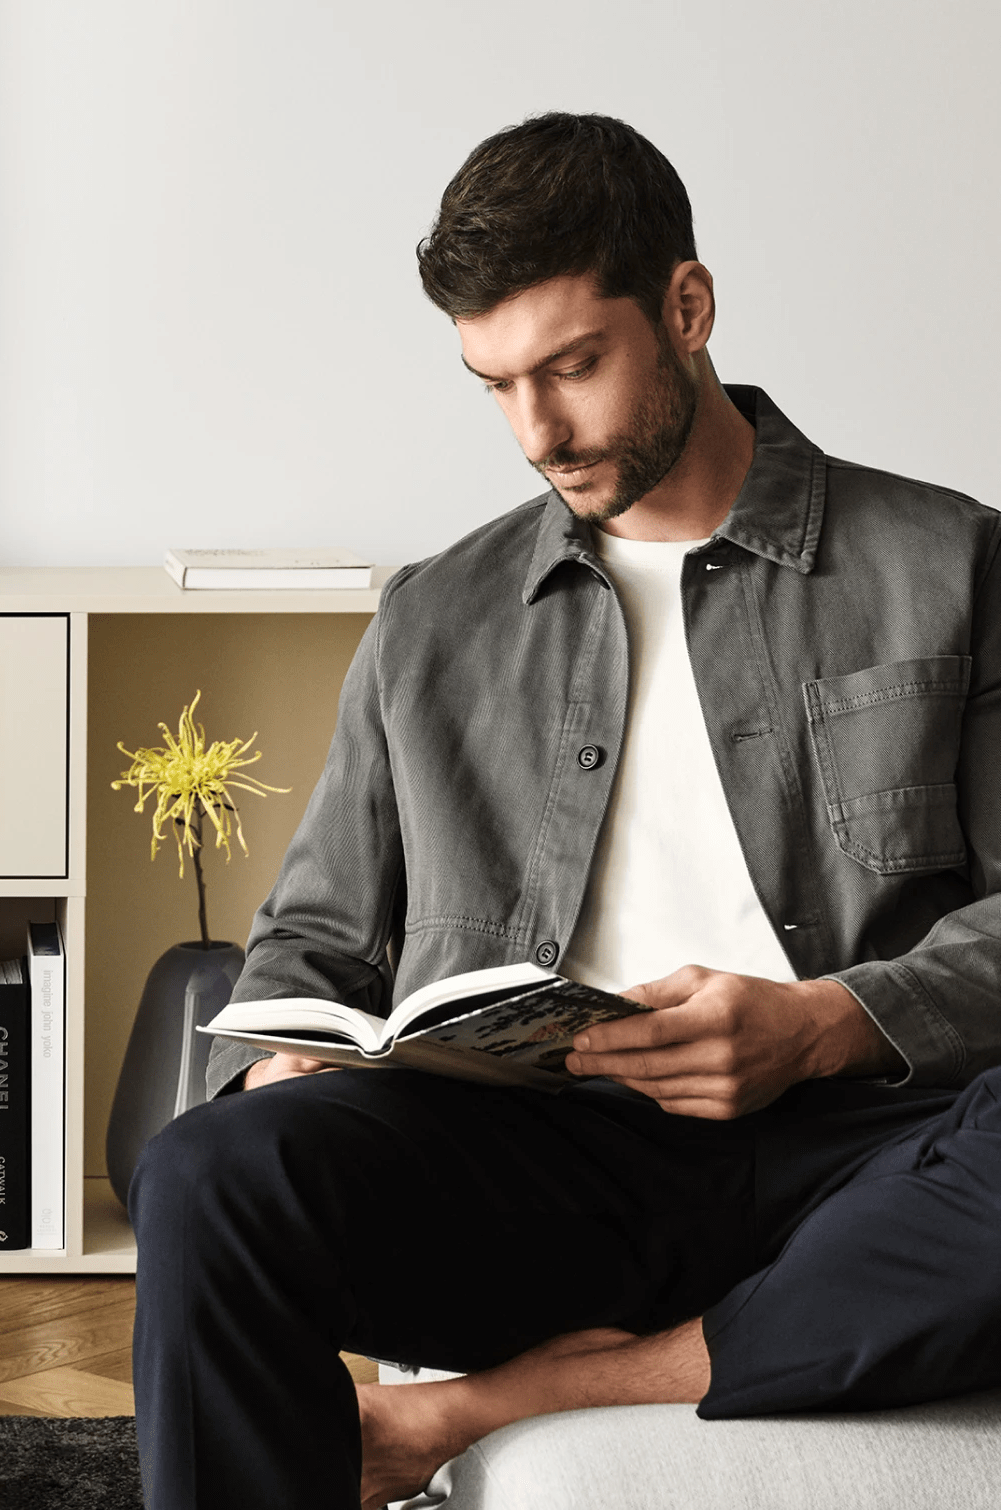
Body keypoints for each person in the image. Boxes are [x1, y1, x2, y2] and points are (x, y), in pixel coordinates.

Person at [128, 112, 1001, 1510]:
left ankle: (519, 1397)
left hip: (870, 1151)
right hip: (547, 1171)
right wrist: (290, 1063)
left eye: (574, 367)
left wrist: (829, 1019)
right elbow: (311, 940)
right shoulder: (434, 618)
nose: (539, 431)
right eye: (496, 386)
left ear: (687, 306)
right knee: (208, 1175)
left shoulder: (947, 561)